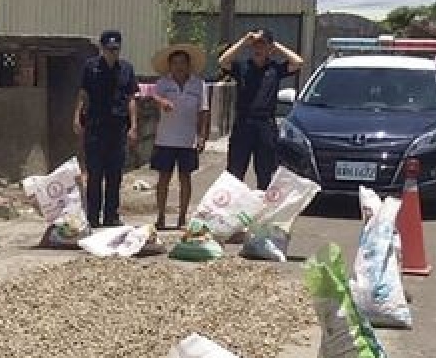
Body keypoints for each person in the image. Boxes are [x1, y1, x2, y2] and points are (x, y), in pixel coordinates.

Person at [217, 29, 304, 188]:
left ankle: (262, 207)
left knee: (265, 172)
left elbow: (298, 62)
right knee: (235, 171)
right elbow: (223, 61)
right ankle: (233, 207)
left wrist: (275, 45)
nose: (258, 49)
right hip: (243, 123)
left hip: (265, 125)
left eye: (262, 45)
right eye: (256, 45)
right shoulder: (243, 67)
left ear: (269, 49)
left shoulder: (275, 69)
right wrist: (243, 41)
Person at [73, 29, 139, 227]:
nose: (113, 53)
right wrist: (77, 116)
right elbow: (83, 93)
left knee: (115, 174)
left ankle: (111, 215)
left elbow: (131, 99)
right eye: (109, 49)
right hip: (95, 126)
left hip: (117, 128)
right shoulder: (91, 67)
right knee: (94, 173)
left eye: (116, 49)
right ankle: (93, 216)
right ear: (102, 49)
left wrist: (134, 126)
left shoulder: (126, 69)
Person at [148, 43, 210, 230]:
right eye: (175, 63)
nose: (179, 66)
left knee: (185, 178)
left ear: (188, 65)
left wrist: (202, 136)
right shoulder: (163, 83)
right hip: (165, 139)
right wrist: (162, 101)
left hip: (188, 139)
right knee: (163, 179)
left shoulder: (198, 84)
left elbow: (204, 111)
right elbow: (153, 97)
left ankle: (182, 217)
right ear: (170, 65)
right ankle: (160, 217)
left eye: (182, 62)